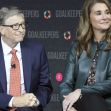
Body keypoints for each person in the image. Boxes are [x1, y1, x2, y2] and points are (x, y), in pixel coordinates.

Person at [60, 0, 111, 111]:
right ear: (88, 17)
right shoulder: (77, 46)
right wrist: (69, 106)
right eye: (98, 13)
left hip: (106, 104)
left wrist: (81, 91)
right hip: (80, 103)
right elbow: (66, 83)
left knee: (93, 100)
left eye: (107, 12)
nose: (105, 17)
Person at [0, 6, 52, 111]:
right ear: (2, 30)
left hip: (27, 108)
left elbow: (45, 86)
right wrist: (14, 101)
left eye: (23, 24)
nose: (21, 29)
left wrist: (35, 101)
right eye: (15, 26)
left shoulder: (37, 50)